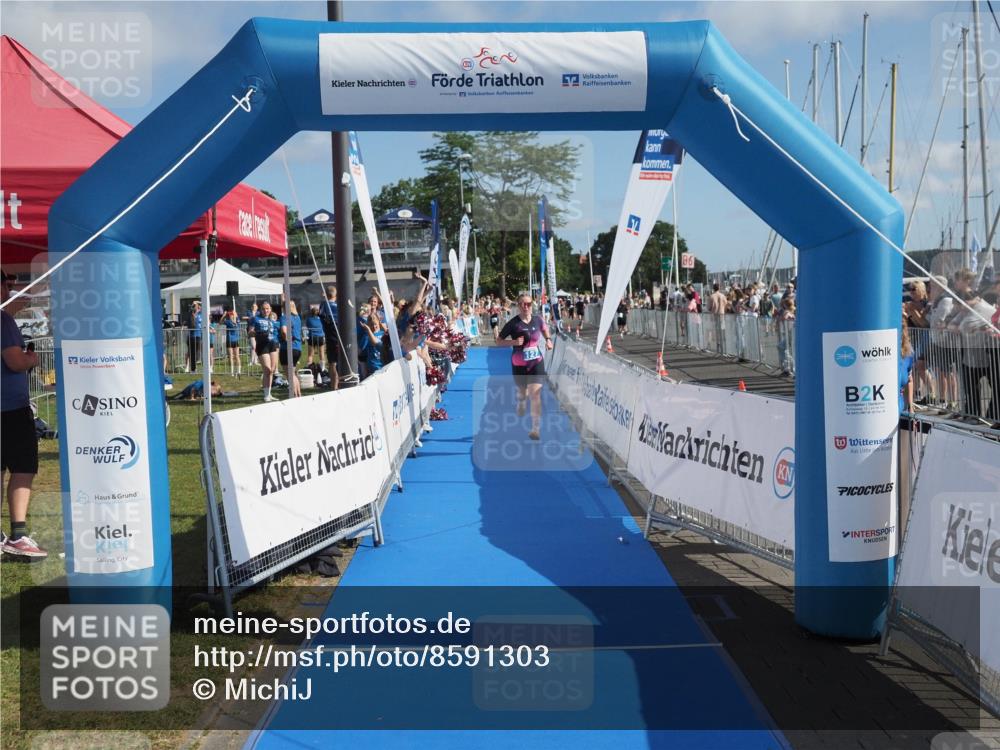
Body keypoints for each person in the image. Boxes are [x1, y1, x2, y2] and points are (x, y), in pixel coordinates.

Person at [0, 271, 46, 557]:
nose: (12, 288)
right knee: (23, 468)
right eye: (7, 284)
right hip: (10, 408)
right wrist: (32, 358)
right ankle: (18, 535)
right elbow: (15, 362)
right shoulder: (3, 321)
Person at [496, 293, 553, 440]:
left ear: (532, 304)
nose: (525, 306)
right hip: (519, 362)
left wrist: (548, 340)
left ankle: (535, 429)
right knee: (523, 393)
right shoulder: (513, 323)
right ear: (518, 305)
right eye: (522, 304)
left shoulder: (538, 319)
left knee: (535, 394)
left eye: (528, 303)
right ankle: (521, 401)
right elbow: (498, 341)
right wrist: (514, 343)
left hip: (536, 361)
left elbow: (545, 329)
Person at [251, 302, 278, 401]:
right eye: (264, 309)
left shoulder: (271, 320)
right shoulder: (255, 319)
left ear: (270, 309)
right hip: (262, 345)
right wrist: (257, 333)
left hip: (272, 344)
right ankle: (266, 395)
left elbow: (274, 332)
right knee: (267, 370)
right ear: (260, 310)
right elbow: (250, 333)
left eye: (267, 309)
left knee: (272, 370)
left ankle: (269, 394)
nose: (266, 311)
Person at [279, 301, 304, 398]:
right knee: (293, 373)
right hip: (298, 348)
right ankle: (298, 394)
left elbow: (284, 331)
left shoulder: (285, 317)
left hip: (288, 348)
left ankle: (294, 394)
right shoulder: (297, 318)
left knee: (289, 374)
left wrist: (286, 339)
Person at [319, 286, 340, 390]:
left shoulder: (324, 305)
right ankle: (337, 384)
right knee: (337, 362)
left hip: (330, 337)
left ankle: (334, 385)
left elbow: (320, 314)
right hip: (339, 336)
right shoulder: (338, 306)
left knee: (332, 363)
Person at [223, 309, 241, 376]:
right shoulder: (228, 322)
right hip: (229, 340)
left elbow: (221, 322)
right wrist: (224, 315)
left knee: (236, 356)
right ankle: (232, 371)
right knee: (231, 356)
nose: (231, 316)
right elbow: (220, 322)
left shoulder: (235, 321)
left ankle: (238, 371)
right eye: (230, 315)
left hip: (235, 340)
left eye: (232, 315)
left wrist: (235, 314)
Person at [188, 301, 203, 372]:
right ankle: (193, 369)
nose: (196, 307)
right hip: (192, 336)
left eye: (196, 306)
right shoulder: (191, 313)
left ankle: (194, 366)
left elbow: (206, 305)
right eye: (195, 306)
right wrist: (193, 304)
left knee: (197, 353)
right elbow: (190, 308)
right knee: (192, 353)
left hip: (198, 335)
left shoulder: (201, 313)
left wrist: (198, 302)